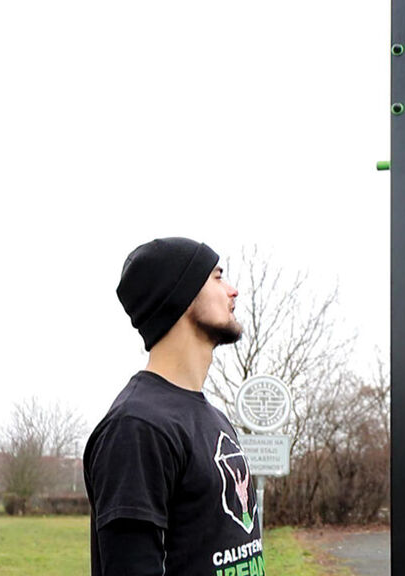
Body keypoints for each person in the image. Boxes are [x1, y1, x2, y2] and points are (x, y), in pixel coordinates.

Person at [84, 237, 265, 576]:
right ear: (180, 296)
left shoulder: (214, 419)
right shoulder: (137, 427)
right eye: (217, 277)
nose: (233, 290)